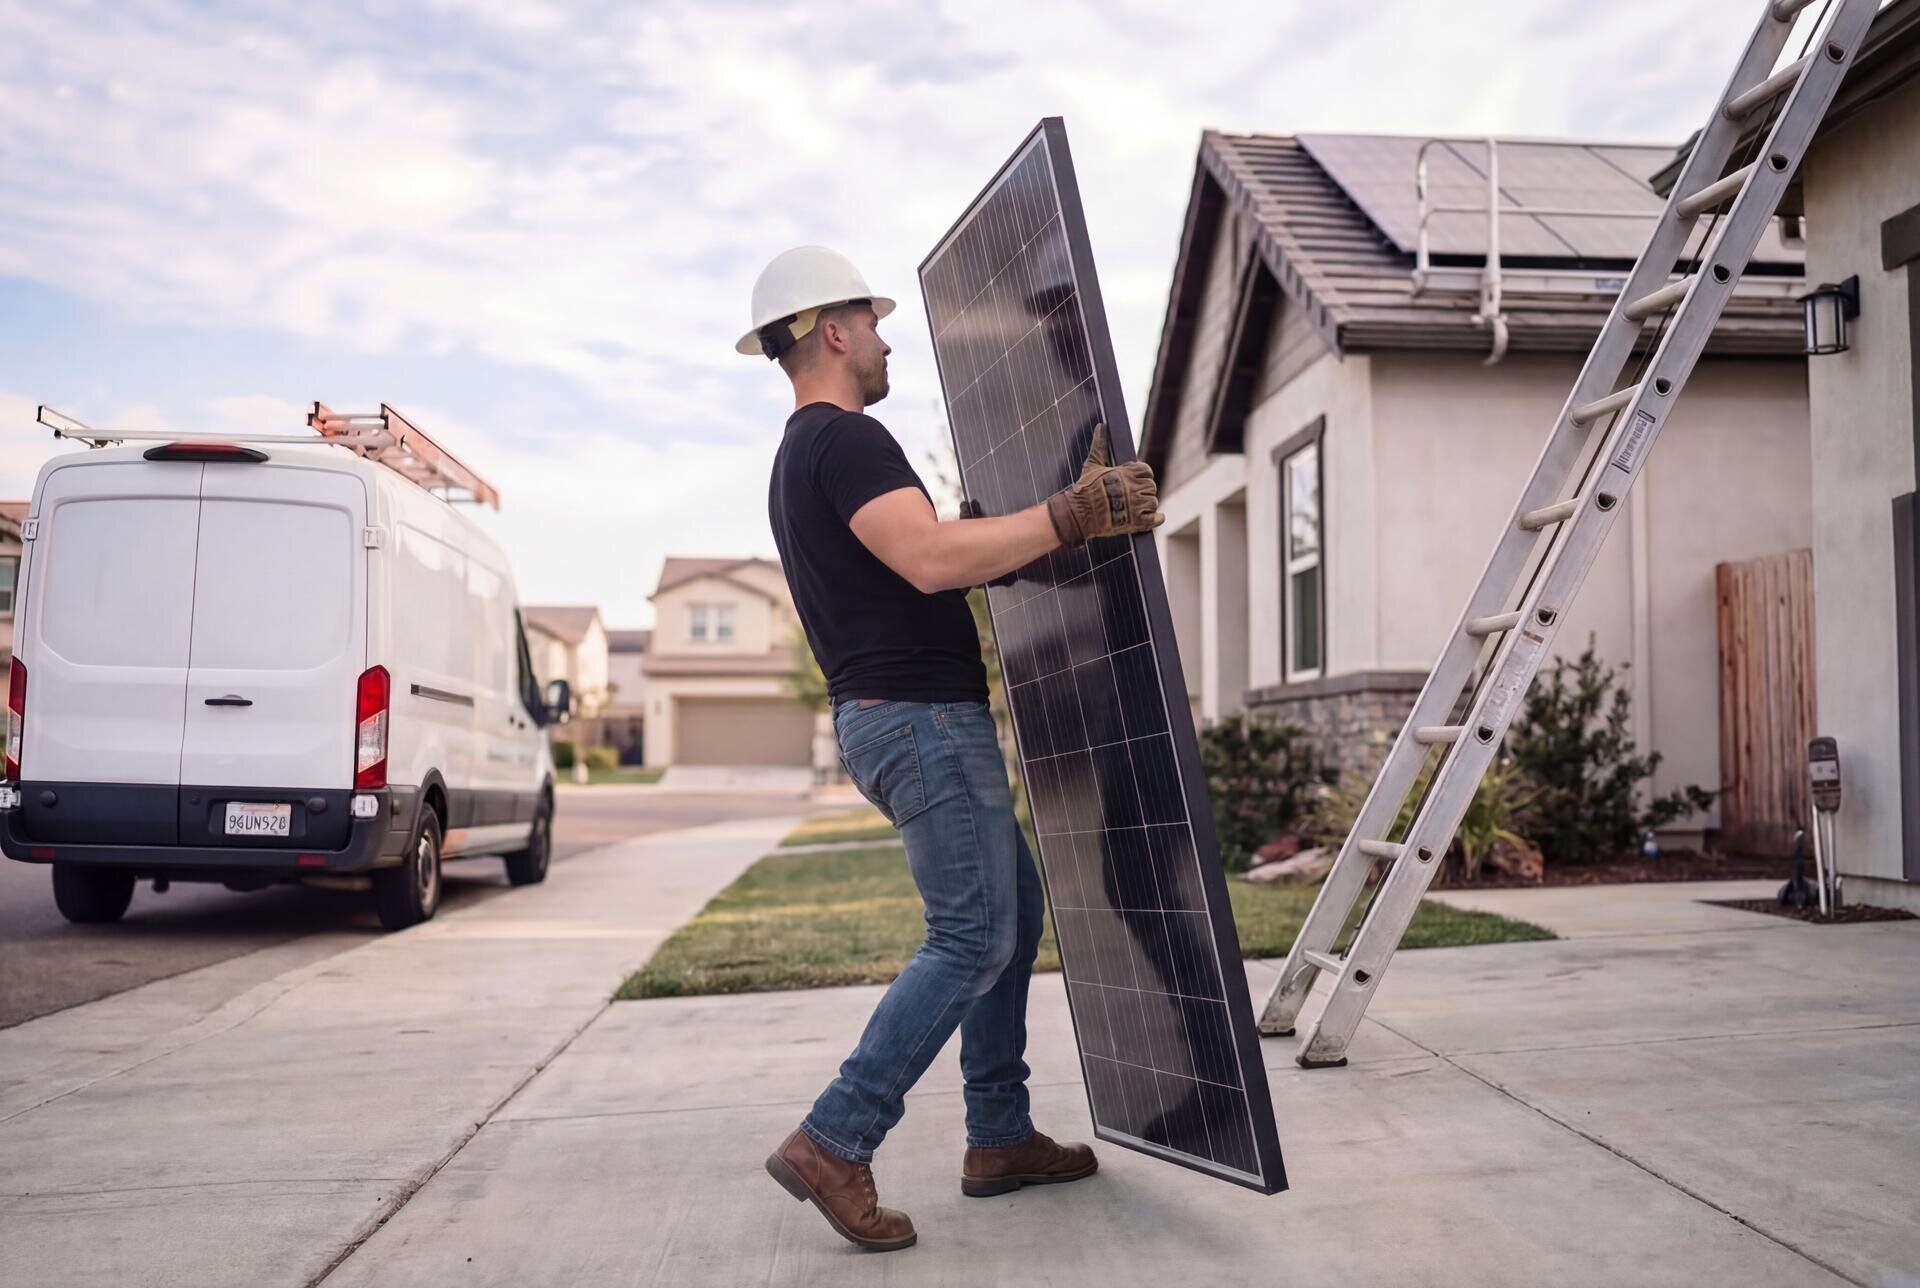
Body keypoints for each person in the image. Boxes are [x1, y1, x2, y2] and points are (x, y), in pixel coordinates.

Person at [741, 245, 1165, 1252]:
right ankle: (836, 1138)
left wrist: (1028, 531)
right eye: (873, 322)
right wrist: (1068, 515)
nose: (887, 341)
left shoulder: (804, 455)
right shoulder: (849, 440)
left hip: (895, 718)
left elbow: (922, 555)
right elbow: (930, 561)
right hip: (922, 722)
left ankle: (1000, 1134)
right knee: (973, 935)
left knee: (1008, 924)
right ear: (832, 331)